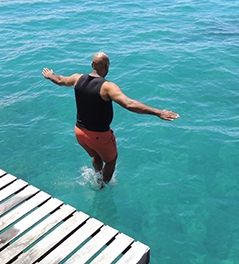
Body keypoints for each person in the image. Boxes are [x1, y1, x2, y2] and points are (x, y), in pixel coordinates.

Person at [42, 52, 179, 187]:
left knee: (96, 156)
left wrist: (50, 76)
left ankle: (97, 176)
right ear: (107, 66)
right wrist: (158, 112)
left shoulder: (78, 78)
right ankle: (102, 186)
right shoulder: (107, 87)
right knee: (111, 161)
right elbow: (129, 104)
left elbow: (60, 80)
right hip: (99, 136)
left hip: (79, 132)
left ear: (92, 65)